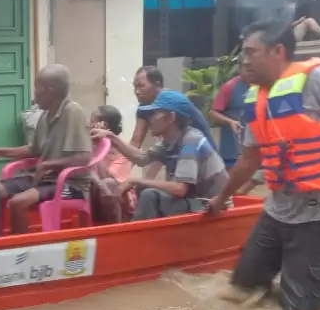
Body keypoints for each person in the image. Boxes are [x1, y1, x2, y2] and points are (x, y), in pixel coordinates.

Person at [206, 20, 320, 310]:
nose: (243, 61)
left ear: (278, 51)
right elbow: (249, 160)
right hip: (278, 210)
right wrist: (221, 197)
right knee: (240, 291)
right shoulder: (256, 97)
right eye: (242, 54)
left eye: (251, 52)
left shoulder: (318, 79)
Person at [95, 90, 229, 221]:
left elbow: (180, 189)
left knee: (149, 195)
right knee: (142, 190)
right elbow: (141, 158)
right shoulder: (169, 141)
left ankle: (136, 233)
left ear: (171, 117)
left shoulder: (191, 141)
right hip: (193, 202)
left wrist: (135, 181)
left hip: (210, 205)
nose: (150, 119)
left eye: (154, 113)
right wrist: (111, 137)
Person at [0, 65, 93, 234]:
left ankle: (24, 248)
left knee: (18, 202)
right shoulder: (45, 115)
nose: (34, 94)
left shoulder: (72, 111)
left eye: (37, 88)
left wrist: (48, 165)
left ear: (49, 91)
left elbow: (84, 157)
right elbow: (33, 150)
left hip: (69, 184)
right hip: (42, 178)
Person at [129, 66, 217, 178]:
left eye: (141, 86)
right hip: (178, 156)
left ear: (157, 85)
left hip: (200, 156)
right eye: (135, 87)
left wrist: (145, 181)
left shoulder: (172, 101)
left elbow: (164, 149)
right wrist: (120, 175)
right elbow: (136, 141)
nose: (137, 91)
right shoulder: (144, 107)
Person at [88, 105, 136, 224]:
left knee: (108, 184)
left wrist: (98, 147)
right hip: (94, 191)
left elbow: (106, 178)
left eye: (92, 121)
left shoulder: (123, 152)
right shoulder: (88, 145)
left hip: (117, 196)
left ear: (104, 125)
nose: (89, 125)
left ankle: (115, 228)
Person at [210, 64, 250, 170]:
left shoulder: (261, 85)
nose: (251, 71)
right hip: (233, 149)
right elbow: (213, 113)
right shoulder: (230, 87)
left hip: (255, 148)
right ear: (240, 69)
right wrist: (230, 121)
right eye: (247, 67)